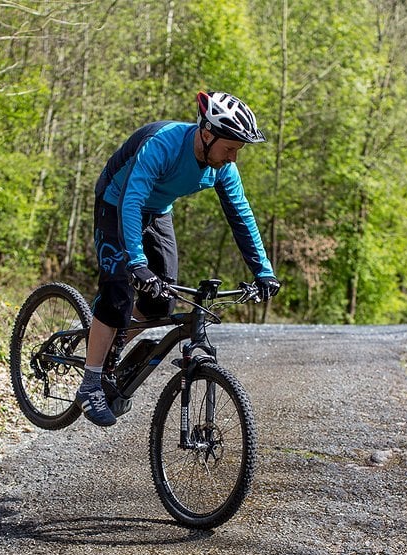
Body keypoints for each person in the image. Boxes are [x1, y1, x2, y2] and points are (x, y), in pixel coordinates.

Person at [74, 91, 281, 427]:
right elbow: (132, 200)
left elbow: (240, 216)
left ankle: (110, 344)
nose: (233, 158)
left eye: (237, 151)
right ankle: (91, 382)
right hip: (117, 202)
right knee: (118, 293)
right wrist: (137, 263)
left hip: (157, 211)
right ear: (207, 134)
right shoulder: (163, 144)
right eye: (230, 148)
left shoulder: (222, 168)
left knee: (160, 301)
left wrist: (263, 271)